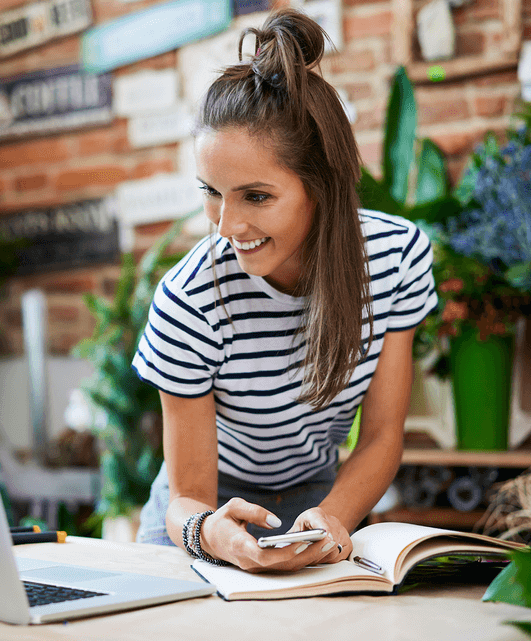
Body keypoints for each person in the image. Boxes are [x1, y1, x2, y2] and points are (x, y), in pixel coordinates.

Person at [131, 8, 437, 572]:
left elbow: (382, 437)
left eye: (256, 196)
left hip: (320, 504)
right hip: (207, 520)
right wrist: (210, 533)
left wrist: (333, 516)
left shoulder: (396, 260)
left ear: (320, 185)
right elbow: (186, 499)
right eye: (212, 192)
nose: (225, 227)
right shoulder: (190, 297)